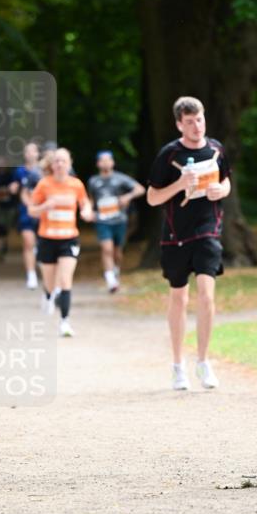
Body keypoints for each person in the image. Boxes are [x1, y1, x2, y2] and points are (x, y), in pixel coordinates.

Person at [146, 96, 231, 390]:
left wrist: (221, 190)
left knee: (206, 294)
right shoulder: (169, 154)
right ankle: (177, 364)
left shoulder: (216, 149)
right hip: (175, 235)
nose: (197, 126)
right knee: (179, 298)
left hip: (208, 231)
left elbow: (226, 180)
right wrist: (180, 185)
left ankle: (204, 361)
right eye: (190, 121)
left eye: (200, 119)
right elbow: (152, 197)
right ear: (179, 124)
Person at [28, 147, 94, 337]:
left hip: (69, 239)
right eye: (56, 161)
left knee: (65, 281)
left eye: (63, 161)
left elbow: (85, 203)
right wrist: (44, 207)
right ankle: (48, 294)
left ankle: (65, 322)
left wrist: (87, 211)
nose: (59, 164)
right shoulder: (44, 184)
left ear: (69, 163)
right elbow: (31, 210)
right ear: (52, 165)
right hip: (47, 239)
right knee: (50, 283)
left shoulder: (76, 185)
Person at [87, 150, 145, 292]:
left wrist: (127, 197)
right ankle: (110, 280)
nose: (105, 163)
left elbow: (140, 189)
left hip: (119, 220)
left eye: (108, 160)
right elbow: (91, 199)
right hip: (102, 220)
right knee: (106, 249)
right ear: (98, 164)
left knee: (117, 252)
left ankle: (115, 269)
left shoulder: (120, 178)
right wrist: (90, 211)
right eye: (102, 160)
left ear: (112, 162)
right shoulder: (93, 181)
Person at [13, 141, 42, 289]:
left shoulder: (44, 170)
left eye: (33, 151)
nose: (30, 154)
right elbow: (15, 188)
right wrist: (13, 188)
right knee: (28, 242)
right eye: (27, 151)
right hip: (26, 211)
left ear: (38, 153)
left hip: (43, 212)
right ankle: (31, 275)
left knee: (42, 244)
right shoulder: (19, 171)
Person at [0, 157, 19, 263]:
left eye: (3, 163)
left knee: (6, 227)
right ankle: (0, 248)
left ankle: (4, 244)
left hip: (9, 206)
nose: (1, 165)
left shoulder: (11, 176)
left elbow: (15, 190)